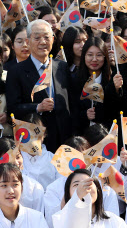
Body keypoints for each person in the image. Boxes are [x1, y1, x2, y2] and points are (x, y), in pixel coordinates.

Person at [6, 19, 76, 152]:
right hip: (35, 142)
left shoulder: (61, 66)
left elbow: (72, 103)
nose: (43, 42)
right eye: (37, 38)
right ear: (28, 41)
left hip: (65, 140)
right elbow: (13, 109)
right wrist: (38, 107)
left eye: (46, 37)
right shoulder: (16, 72)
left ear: (53, 39)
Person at [52, 169, 127, 228]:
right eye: (76, 184)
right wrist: (77, 197)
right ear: (68, 193)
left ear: (98, 190)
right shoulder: (61, 218)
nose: (83, 187)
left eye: (88, 183)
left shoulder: (114, 221)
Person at [74, 37, 112, 130]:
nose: (94, 59)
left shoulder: (112, 79)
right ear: (84, 56)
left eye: (99, 55)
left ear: (105, 57)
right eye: (90, 55)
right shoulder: (75, 79)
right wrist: (85, 115)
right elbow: (72, 110)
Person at [0, 138, 44, 213]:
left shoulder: (35, 188)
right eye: (9, 158)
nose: (16, 162)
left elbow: (38, 217)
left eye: (18, 157)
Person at [0, 163, 48, 228]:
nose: (11, 191)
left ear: (22, 187)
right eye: (4, 185)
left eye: (15, 185)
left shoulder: (36, 218)